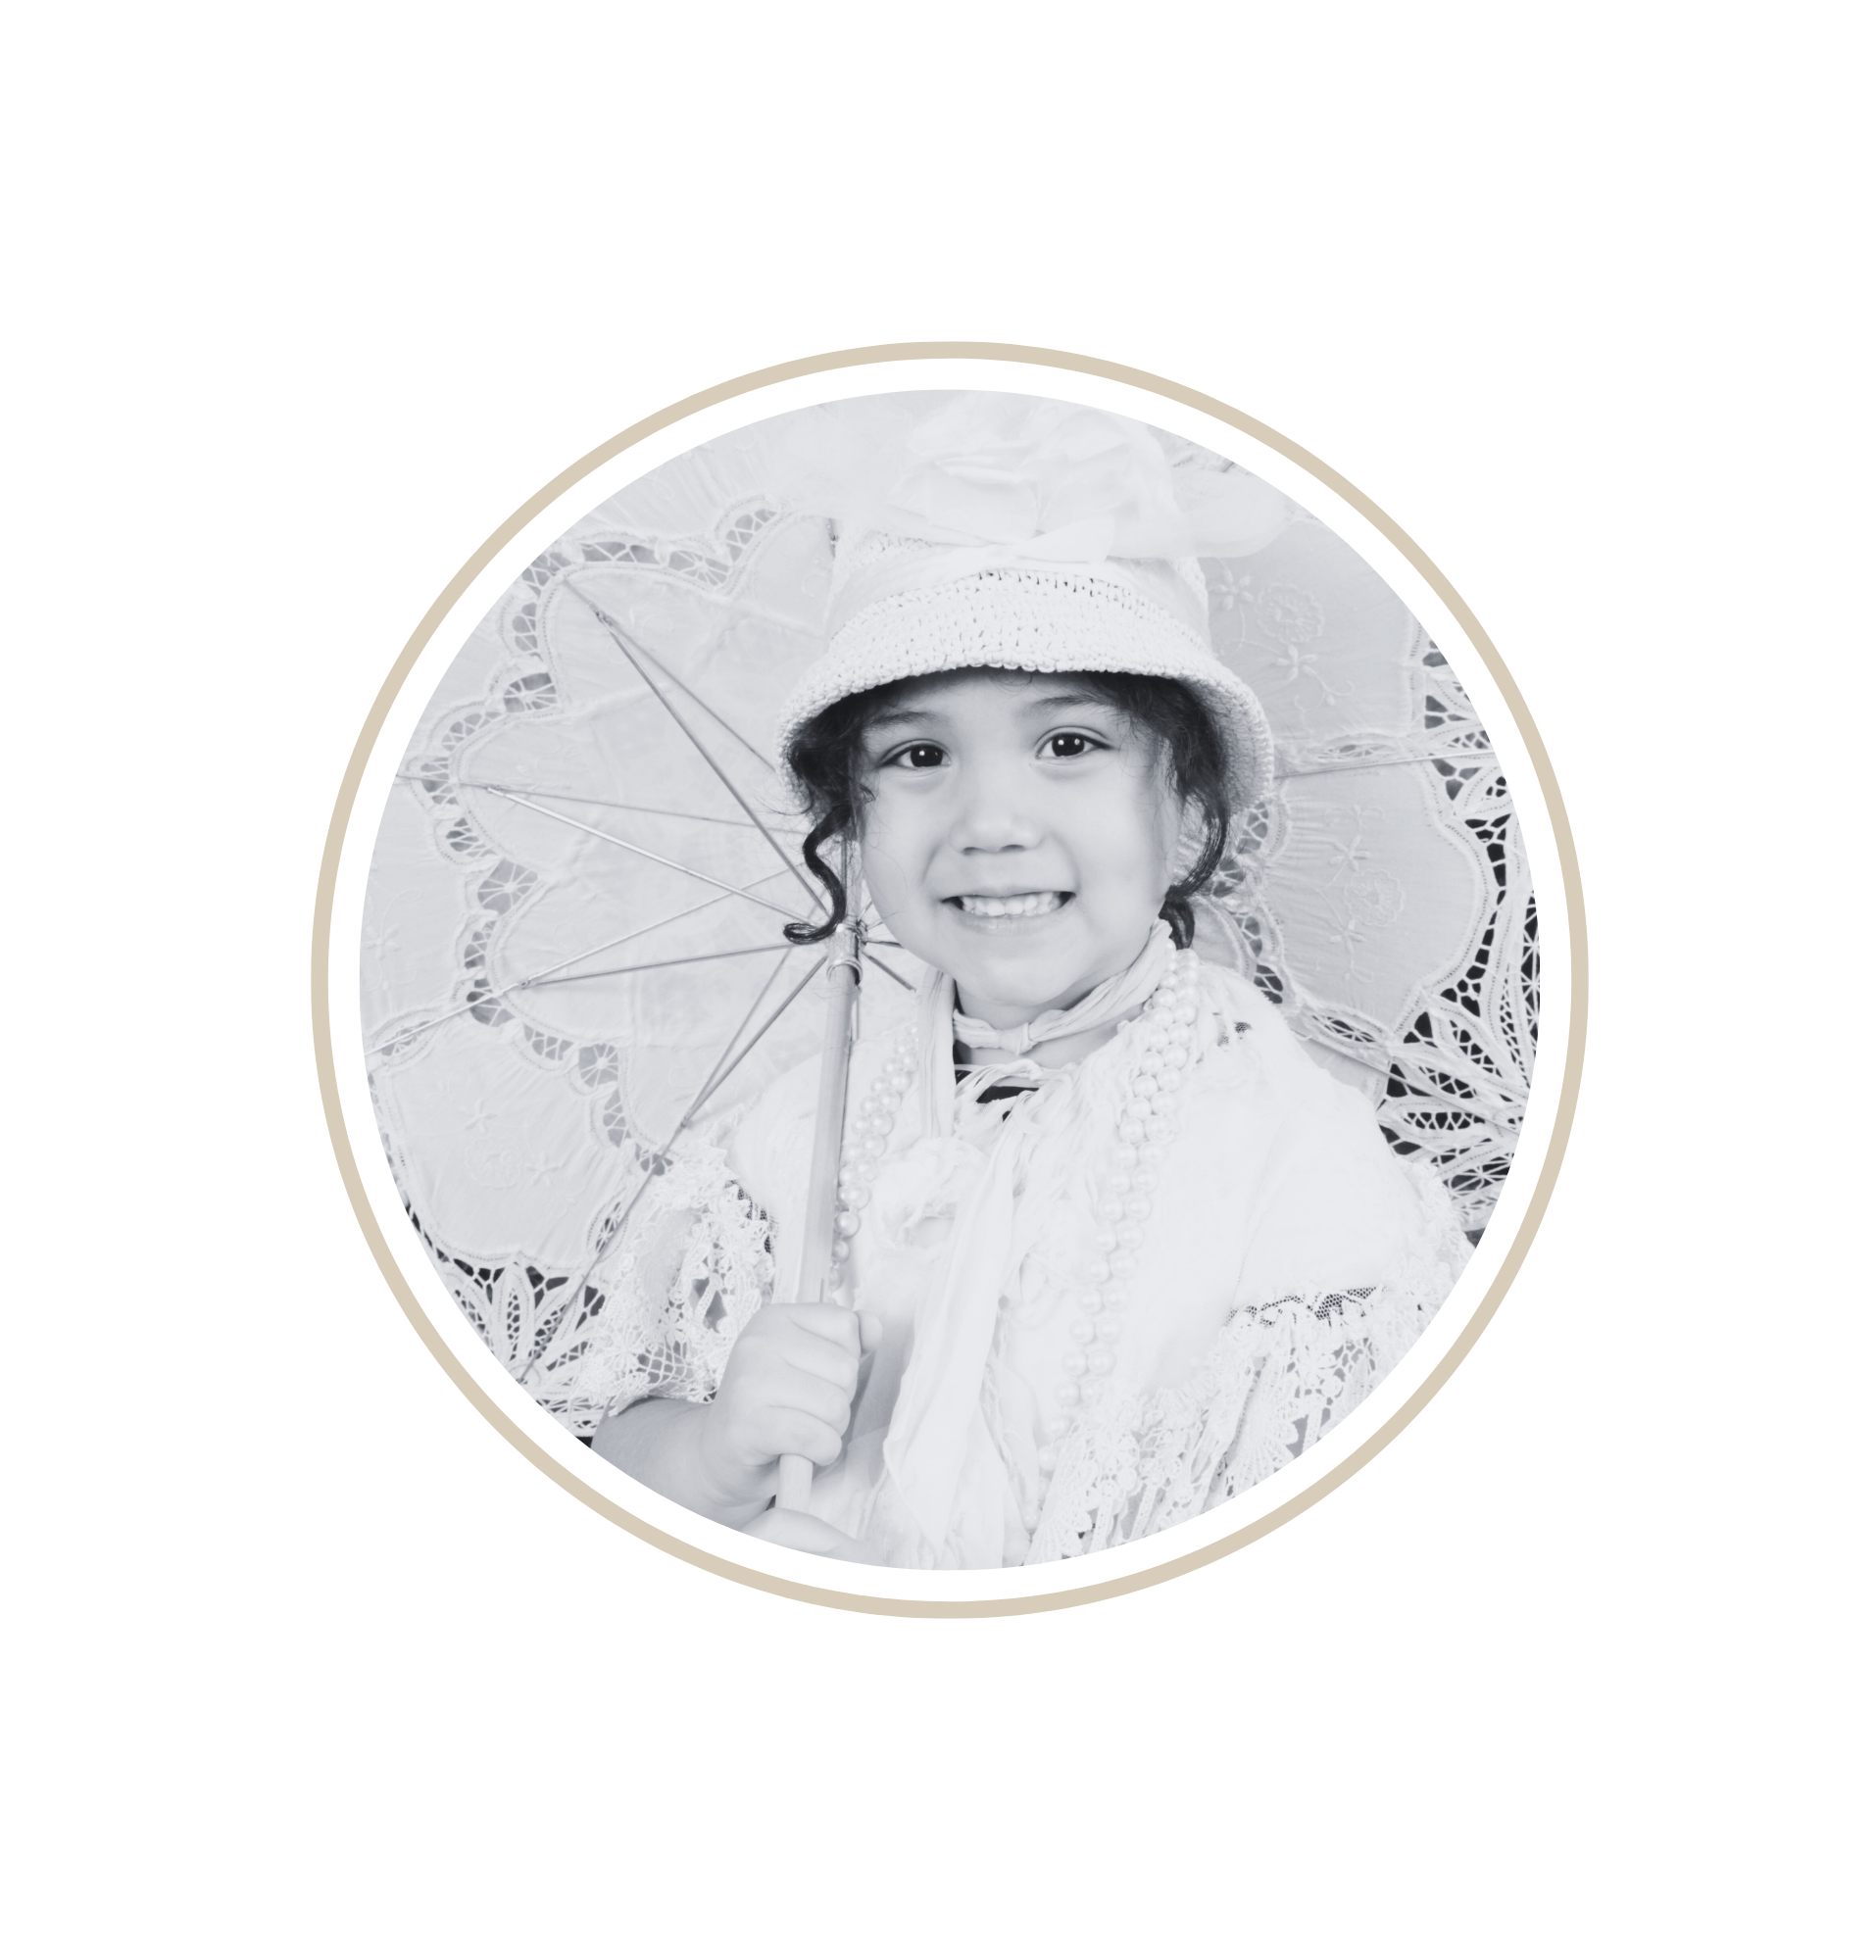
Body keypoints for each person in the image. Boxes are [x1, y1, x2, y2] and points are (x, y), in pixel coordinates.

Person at [579, 397, 1473, 1567]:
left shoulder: (1303, 1183)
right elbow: (613, 1459)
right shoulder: (784, 1136)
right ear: (850, 820)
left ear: (1188, 810)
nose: (989, 822)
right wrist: (713, 1454)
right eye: (917, 755)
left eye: (1068, 744)